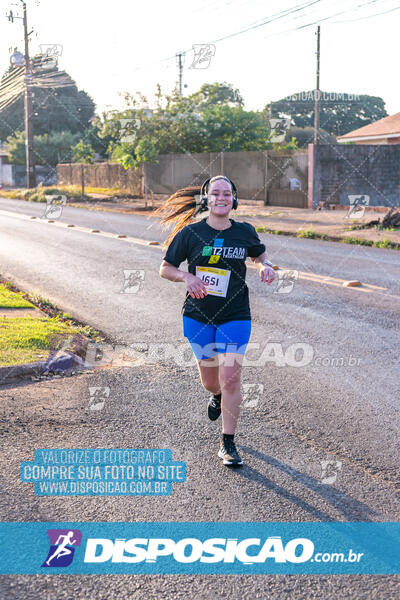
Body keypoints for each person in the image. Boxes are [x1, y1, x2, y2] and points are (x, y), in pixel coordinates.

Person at [157, 175, 276, 467]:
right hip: (198, 316)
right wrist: (186, 276)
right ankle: (216, 396)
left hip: (235, 314)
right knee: (211, 381)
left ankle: (228, 443)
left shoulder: (244, 232)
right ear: (206, 198)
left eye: (227, 193)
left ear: (233, 200)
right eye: (215, 193)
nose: (221, 198)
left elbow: (260, 254)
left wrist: (266, 266)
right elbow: (166, 268)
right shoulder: (190, 233)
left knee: (232, 376)